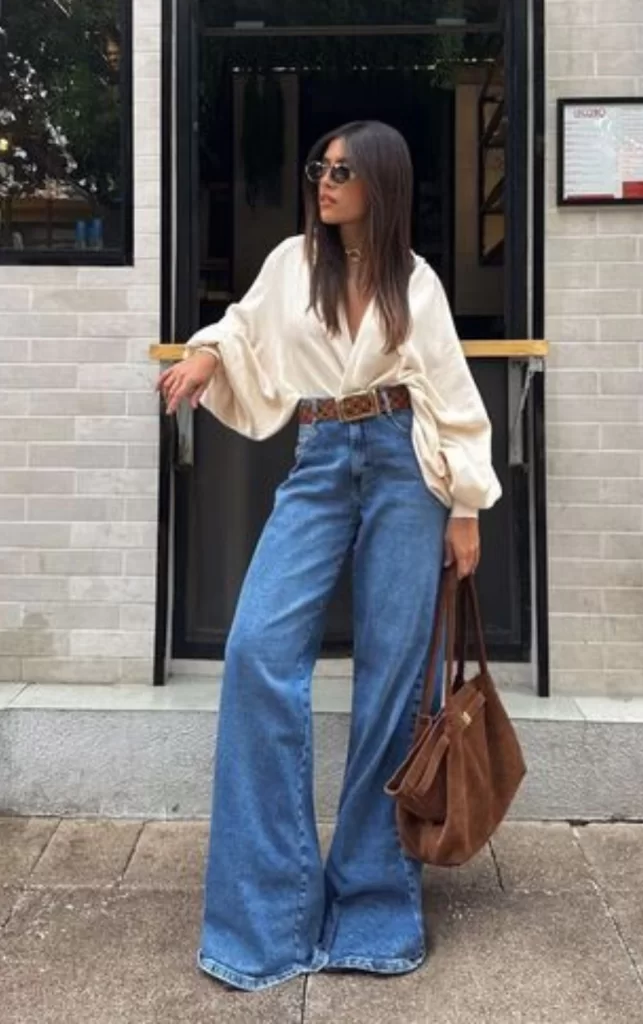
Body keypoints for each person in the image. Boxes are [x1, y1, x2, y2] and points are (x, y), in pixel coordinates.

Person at [157, 120, 501, 992]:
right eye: (319, 166)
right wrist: (202, 355)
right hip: (318, 458)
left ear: (379, 182)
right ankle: (263, 919)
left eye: (342, 170)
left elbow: (448, 392)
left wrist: (464, 507)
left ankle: (374, 910)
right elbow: (241, 327)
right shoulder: (289, 263)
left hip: (402, 465)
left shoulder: (411, 280)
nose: (323, 180)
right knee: (256, 650)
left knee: (394, 678)